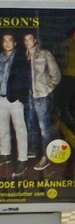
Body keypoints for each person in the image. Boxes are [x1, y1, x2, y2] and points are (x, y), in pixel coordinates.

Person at [23, 31, 62, 171]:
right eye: (25, 39)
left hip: (41, 96)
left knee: (44, 128)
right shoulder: (24, 56)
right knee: (30, 125)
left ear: (35, 40)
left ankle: (46, 156)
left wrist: (48, 88)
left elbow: (56, 74)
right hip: (28, 96)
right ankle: (33, 151)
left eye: (29, 39)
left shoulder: (44, 54)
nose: (27, 42)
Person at [0, 32, 31, 178]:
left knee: (20, 130)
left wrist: (20, 97)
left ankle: (22, 159)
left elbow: (25, 79)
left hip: (15, 100)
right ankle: (5, 153)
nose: (7, 43)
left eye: (10, 40)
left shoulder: (20, 59)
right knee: (2, 129)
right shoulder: (0, 58)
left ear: (15, 43)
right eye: (4, 40)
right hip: (0, 99)